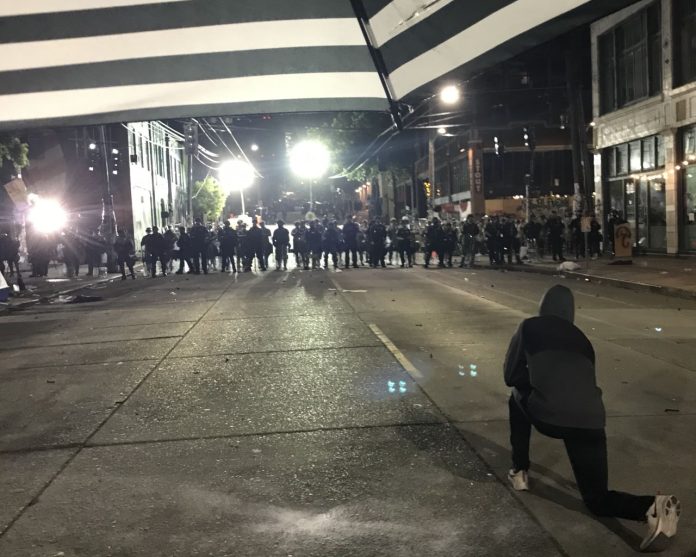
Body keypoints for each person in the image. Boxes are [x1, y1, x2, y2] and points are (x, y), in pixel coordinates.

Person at [504, 285, 680, 552]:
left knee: (515, 397)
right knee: (597, 499)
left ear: (543, 307)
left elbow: (510, 376)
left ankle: (519, 471)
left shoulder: (529, 327)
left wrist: (534, 383)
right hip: (592, 421)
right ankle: (651, 506)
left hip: (550, 416)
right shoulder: (584, 342)